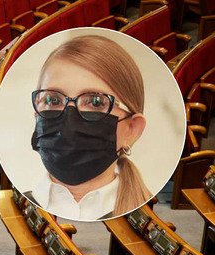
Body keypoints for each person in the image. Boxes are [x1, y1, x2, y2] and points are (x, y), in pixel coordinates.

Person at [26, 35, 151, 220]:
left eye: (95, 102)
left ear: (132, 129)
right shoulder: (14, 204)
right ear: (37, 115)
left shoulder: (146, 214)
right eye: (53, 100)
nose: (69, 121)